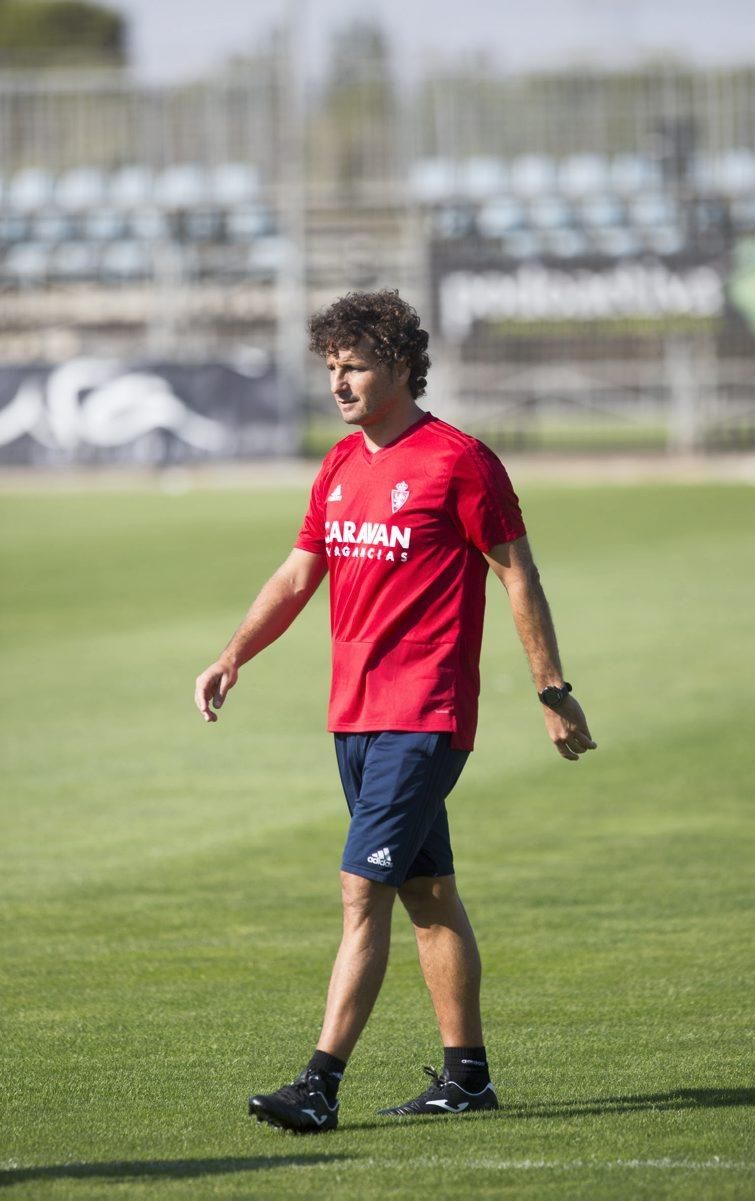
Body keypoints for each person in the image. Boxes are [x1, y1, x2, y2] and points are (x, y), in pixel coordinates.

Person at [194, 289, 596, 1134]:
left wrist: (551, 689)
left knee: (360, 889)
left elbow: (515, 571)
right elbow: (300, 573)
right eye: (330, 368)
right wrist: (234, 652)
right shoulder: (340, 466)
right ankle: (468, 1077)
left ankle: (319, 1083)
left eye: (355, 367)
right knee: (429, 894)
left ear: (403, 367)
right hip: (354, 715)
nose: (338, 384)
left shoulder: (460, 460)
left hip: (426, 712)